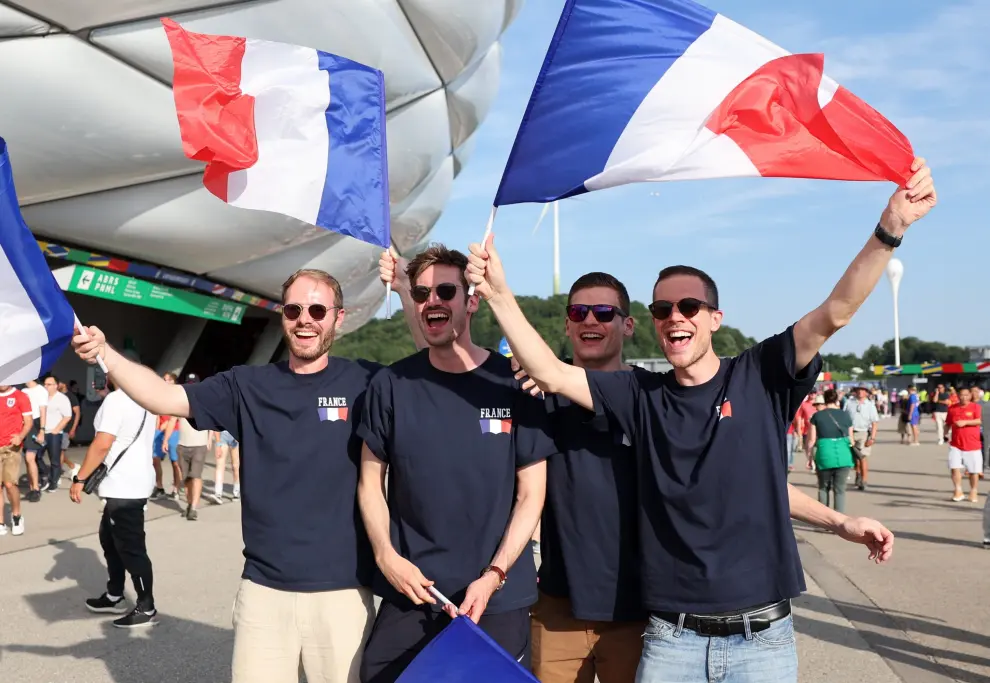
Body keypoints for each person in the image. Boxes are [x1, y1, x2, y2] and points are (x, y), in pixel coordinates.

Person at [466, 158, 933, 682]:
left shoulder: (758, 375)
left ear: (715, 317)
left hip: (763, 640)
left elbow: (836, 312)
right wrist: (499, 294)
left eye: (689, 305)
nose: (675, 317)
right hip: (672, 639)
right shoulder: (640, 397)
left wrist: (889, 228)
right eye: (662, 309)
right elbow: (551, 372)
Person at [72, 264, 422, 683]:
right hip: (264, 591)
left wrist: (403, 291)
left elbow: (429, 374)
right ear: (282, 316)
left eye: (317, 310)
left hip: (343, 592)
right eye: (293, 310)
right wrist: (105, 353)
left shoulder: (367, 381)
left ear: (338, 317)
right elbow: (163, 397)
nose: (305, 320)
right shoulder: (246, 386)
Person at [358, 245, 551, 683]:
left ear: (472, 300)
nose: (433, 301)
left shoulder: (515, 384)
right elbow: (371, 483)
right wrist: (386, 556)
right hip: (412, 593)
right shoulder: (391, 385)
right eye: (422, 293)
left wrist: (495, 575)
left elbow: (531, 495)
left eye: (447, 290)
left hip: (495, 598)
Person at [70, 374, 157, 627]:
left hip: (124, 488)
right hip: (131, 483)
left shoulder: (117, 400)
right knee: (110, 540)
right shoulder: (145, 400)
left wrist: (80, 478)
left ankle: (146, 607)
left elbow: (101, 444)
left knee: (131, 548)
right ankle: (115, 595)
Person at [809, 390, 855, 512]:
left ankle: (824, 520)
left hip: (824, 454)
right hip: (844, 454)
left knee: (823, 488)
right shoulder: (846, 415)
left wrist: (810, 457)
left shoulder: (817, 416)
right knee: (840, 490)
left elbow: (811, 440)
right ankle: (839, 521)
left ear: (824, 399)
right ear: (837, 399)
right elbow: (851, 439)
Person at [0, 383, 32, 535]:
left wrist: (20, 436)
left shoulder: (20, 396)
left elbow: (29, 421)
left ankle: (16, 516)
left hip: (11, 447)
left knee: (9, 483)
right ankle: (0, 522)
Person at [944, 387, 982, 503]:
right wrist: (945, 434)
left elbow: (979, 420)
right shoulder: (952, 408)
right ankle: (958, 490)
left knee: (973, 471)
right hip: (956, 444)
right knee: (954, 467)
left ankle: (973, 491)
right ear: (958, 395)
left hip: (972, 444)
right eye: (961, 395)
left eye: (966, 395)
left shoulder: (976, 407)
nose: (964, 397)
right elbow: (948, 423)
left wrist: (965, 422)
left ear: (970, 395)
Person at [39, 375, 73, 492]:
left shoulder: (62, 398)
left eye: (49, 384)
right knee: (35, 456)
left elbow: (68, 416)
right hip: (42, 432)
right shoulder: (42, 397)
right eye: (45, 384)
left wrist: (57, 430)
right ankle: (44, 474)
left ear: (56, 385)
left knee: (55, 459)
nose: (46, 386)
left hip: (54, 433)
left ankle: (53, 482)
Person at [151, 372, 182, 500]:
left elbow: (178, 415)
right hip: (160, 430)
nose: (166, 381)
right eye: (164, 379)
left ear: (174, 382)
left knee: (175, 462)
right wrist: (156, 429)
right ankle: (159, 487)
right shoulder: (159, 396)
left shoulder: (178, 396)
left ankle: (176, 488)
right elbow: (157, 414)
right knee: (155, 459)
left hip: (174, 431)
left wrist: (168, 424)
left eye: (169, 380)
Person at [845, 385, 879, 491]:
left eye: (863, 390)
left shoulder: (870, 405)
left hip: (864, 432)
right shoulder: (849, 403)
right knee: (855, 458)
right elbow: (843, 417)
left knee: (862, 457)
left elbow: (874, 422)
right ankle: (858, 475)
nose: (860, 392)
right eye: (858, 390)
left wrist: (872, 438)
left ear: (866, 393)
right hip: (850, 432)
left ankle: (864, 480)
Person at [21, 378, 48, 500]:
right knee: (27, 459)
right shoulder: (23, 390)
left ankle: (36, 489)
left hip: (35, 424)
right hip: (23, 424)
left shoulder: (40, 390)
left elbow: (43, 410)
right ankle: (32, 488)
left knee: (30, 457)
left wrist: (42, 430)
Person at [57, 381, 82, 479]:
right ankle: (72, 466)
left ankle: (57, 474)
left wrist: (73, 428)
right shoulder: (56, 396)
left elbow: (78, 413)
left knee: (60, 451)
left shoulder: (71, 397)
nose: (57, 385)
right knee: (56, 452)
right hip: (56, 428)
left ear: (64, 384)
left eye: (59, 383)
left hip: (66, 428)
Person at [212, 430, 241, 502]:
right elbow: (216, 425)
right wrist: (218, 443)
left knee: (235, 466)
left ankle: (236, 492)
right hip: (222, 435)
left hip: (234, 436)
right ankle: (218, 493)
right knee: (220, 465)